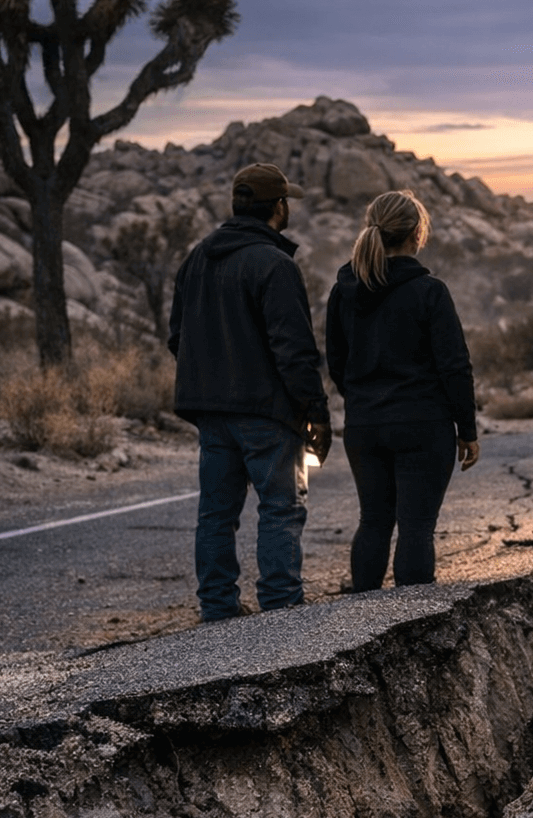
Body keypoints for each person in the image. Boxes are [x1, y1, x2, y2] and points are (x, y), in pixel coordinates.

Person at [167, 162, 332, 622]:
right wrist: (317, 413)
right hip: (266, 412)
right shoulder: (275, 265)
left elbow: (176, 337)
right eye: (286, 201)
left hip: (210, 410)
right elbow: (294, 351)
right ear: (278, 207)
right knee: (281, 507)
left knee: (216, 514)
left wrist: (210, 380)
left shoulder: (196, 258)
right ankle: (280, 608)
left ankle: (217, 608)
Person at [326, 189, 479, 591]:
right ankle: (413, 630)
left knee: (373, 521)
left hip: (364, 426)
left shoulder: (343, 291)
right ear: (416, 235)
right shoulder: (430, 292)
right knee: (416, 527)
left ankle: (360, 627)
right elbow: (455, 366)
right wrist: (467, 430)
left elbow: (336, 363)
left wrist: (364, 399)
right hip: (422, 425)